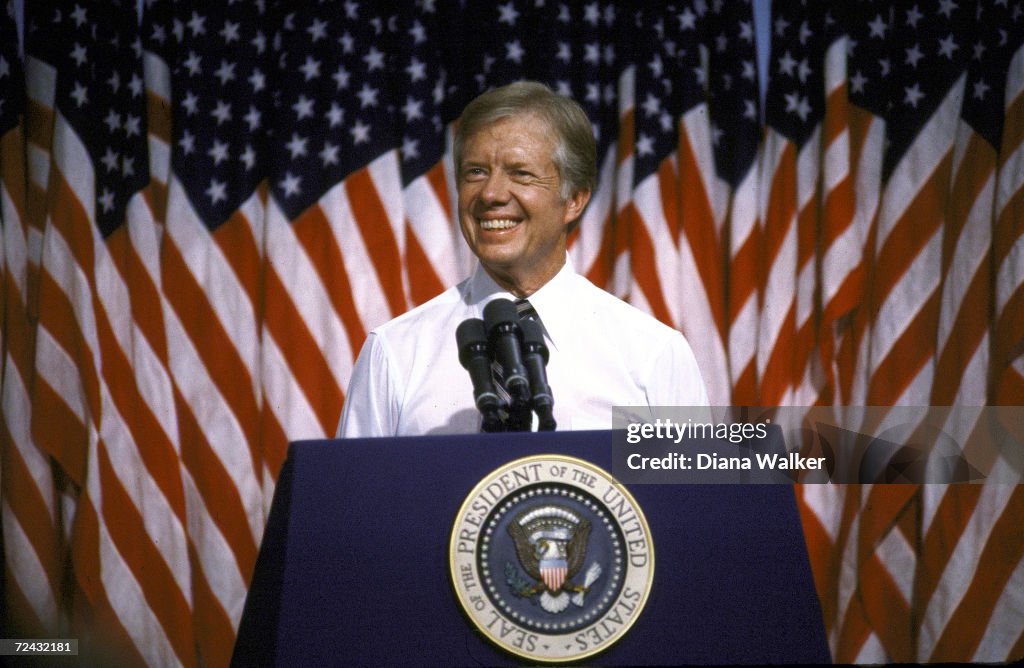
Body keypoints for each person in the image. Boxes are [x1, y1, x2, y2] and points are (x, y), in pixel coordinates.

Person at [337, 81, 707, 437]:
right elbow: (351, 498)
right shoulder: (394, 352)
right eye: (475, 172)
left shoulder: (653, 354)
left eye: (521, 173)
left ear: (574, 199)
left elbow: (694, 499)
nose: (491, 194)